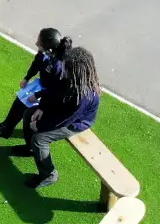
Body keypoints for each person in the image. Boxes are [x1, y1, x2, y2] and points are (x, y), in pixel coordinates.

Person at [10, 46, 101, 188]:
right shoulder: (71, 77)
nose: (64, 69)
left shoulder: (84, 96)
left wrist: (39, 126)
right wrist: (42, 107)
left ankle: (49, 175)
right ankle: (29, 149)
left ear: (75, 70)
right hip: (60, 109)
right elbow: (53, 90)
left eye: (67, 67)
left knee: (40, 139)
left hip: (75, 122)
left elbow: (64, 119)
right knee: (29, 113)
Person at [0, 28, 72, 138]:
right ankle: (6, 125)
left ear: (49, 48)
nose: (36, 43)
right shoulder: (44, 53)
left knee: (25, 102)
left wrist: (37, 95)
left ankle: (7, 130)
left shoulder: (58, 66)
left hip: (52, 95)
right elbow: (36, 64)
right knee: (20, 99)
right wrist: (27, 78)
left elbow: (55, 89)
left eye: (39, 42)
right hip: (43, 86)